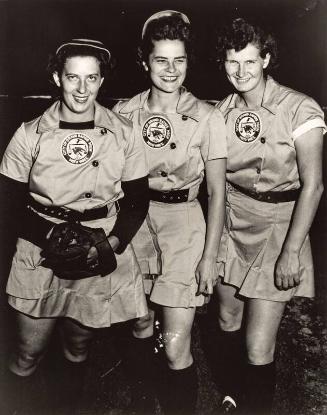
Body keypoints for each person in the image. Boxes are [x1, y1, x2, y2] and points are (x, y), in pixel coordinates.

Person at [0, 38, 149, 414]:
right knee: (28, 353)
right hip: (41, 246)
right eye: (72, 78)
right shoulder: (30, 133)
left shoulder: (124, 131)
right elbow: (7, 203)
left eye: (92, 78)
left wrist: (111, 244)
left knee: (78, 347)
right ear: (57, 77)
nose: (82, 89)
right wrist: (48, 235)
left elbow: (137, 200)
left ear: (101, 81)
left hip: (98, 246)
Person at [113, 10, 227, 415]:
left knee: (177, 346)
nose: (170, 69)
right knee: (140, 325)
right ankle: (142, 401)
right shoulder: (125, 113)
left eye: (179, 60)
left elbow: (217, 191)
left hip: (185, 226)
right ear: (145, 61)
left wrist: (210, 257)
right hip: (136, 224)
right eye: (161, 59)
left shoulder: (208, 117)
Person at [212, 18, 326, 414]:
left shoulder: (299, 107)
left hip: (280, 226)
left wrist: (292, 252)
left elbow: (314, 186)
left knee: (259, 345)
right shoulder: (222, 111)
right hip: (231, 221)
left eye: (249, 62)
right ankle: (231, 394)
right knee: (227, 319)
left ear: (266, 59)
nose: (240, 72)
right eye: (231, 63)